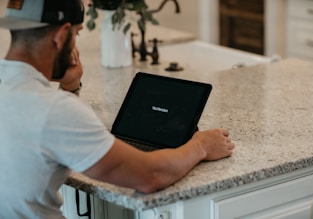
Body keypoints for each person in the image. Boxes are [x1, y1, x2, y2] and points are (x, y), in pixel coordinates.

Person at [0, 0, 235, 218]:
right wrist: (201, 145)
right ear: (62, 36)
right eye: (77, 34)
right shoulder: (55, 110)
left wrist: (70, 87)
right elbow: (150, 176)